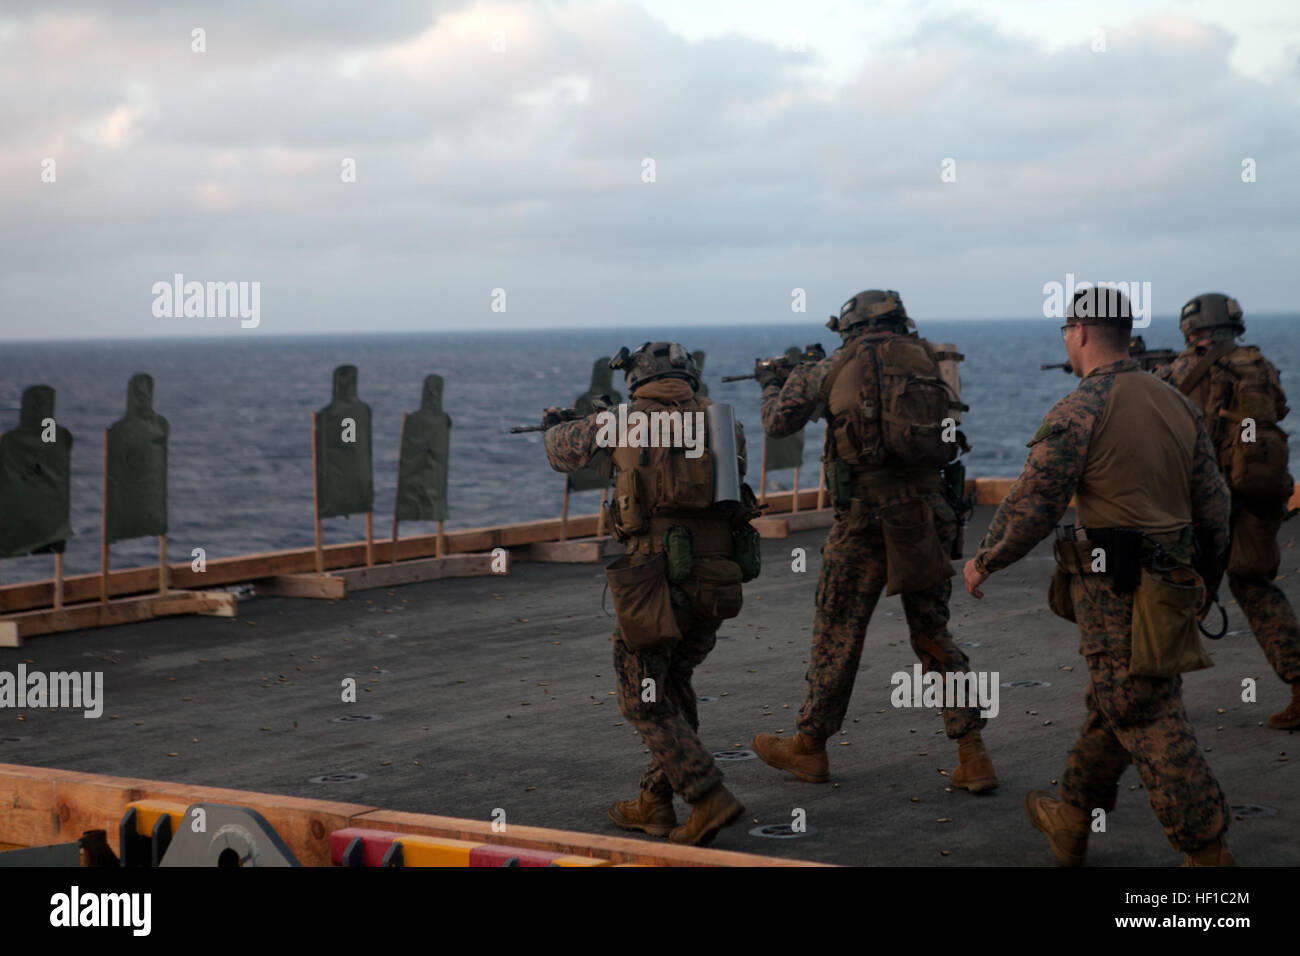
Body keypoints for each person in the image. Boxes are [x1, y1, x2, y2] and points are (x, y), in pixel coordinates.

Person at [964, 287, 1234, 866]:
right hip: (1173, 585)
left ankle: (1209, 854)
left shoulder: (1080, 408)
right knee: (1116, 701)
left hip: (1116, 592)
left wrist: (985, 559)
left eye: (1066, 330)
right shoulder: (1176, 401)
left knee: (1144, 713)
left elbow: (1036, 500)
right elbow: (1215, 506)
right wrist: (1205, 581)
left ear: (1080, 332)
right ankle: (1071, 821)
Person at [750, 290, 997, 792]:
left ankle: (811, 747)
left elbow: (778, 422)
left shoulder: (834, 365)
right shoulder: (928, 359)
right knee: (933, 633)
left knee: (838, 635)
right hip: (927, 515)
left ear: (850, 328)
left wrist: (774, 381)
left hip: (863, 520)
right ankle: (973, 755)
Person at [543, 342, 754, 846]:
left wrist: (559, 424)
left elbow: (561, 453)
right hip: (716, 577)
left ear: (637, 380)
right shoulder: (725, 423)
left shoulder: (618, 422)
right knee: (674, 683)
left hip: (654, 578)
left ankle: (707, 796)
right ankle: (656, 802)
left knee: (642, 696)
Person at [1155, 293, 1300, 730]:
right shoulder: (1260, 365)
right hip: (1257, 492)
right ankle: (1298, 683)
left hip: (1208, 499)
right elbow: (1277, 411)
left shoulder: (1184, 369)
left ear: (1191, 328)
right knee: (1255, 584)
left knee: (1181, 591)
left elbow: (1163, 410)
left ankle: (1155, 696)